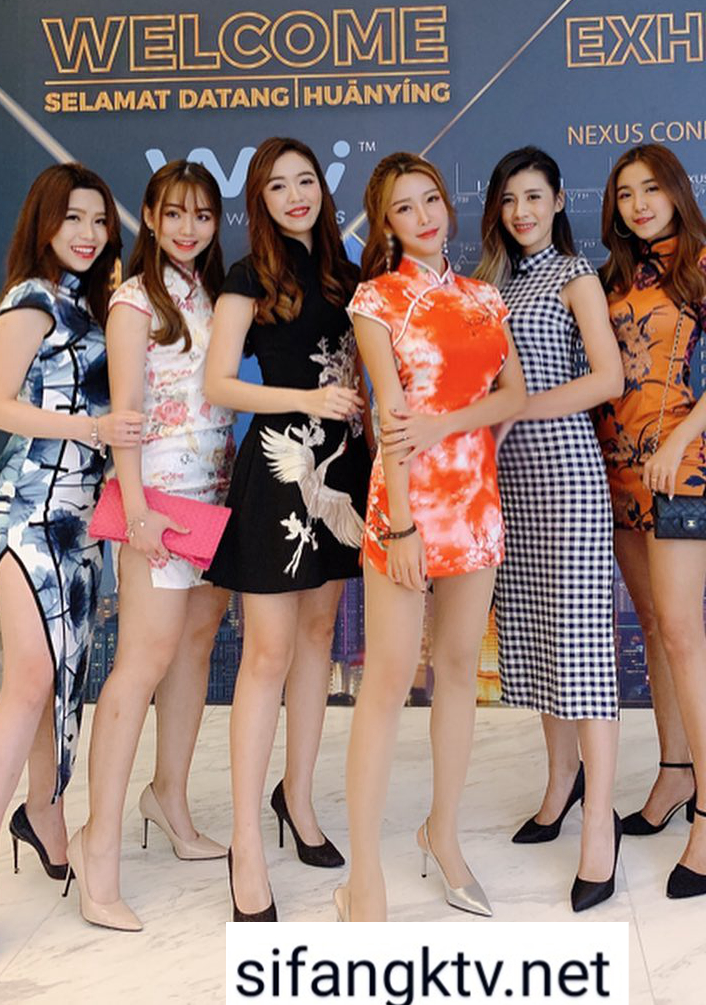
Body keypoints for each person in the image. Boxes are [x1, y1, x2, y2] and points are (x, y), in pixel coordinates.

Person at [0, 164, 142, 977]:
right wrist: (91, 428)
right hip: (26, 510)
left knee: (64, 678)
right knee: (28, 683)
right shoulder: (31, 298)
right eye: (73, 219)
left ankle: (45, 813)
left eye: (99, 220)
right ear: (44, 223)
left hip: (81, 520)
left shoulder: (94, 304)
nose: (88, 233)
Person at [337, 152, 525, 922]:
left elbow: (512, 395)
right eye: (404, 208)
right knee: (386, 682)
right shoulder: (376, 299)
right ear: (386, 224)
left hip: (475, 502)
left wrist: (448, 423)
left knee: (458, 671)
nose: (424, 217)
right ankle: (364, 877)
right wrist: (403, 527)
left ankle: (442, 835)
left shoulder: (484, 297)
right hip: (406, 506)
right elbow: (391, 418)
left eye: (431, 200)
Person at [203, 136, 371, 922]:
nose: (296, 194)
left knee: (318, 640)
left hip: (342, 470)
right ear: (260, 201)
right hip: (278, 475)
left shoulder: (349, 275)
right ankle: (245, 841)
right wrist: (305, 401)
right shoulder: (248, 277)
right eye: (278, 186)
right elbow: (220, 382)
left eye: (307, 181)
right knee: (266, 654)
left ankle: (297, 799)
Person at [67, 160, 234, 931]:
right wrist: (136, 512)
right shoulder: (134, 300)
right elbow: (126, 414)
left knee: (196, 648)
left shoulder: (213, 292)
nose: (187, 228)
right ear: (151, 217)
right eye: (173, 214)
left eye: (201, 214)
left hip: (218, 500)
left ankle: (168, 798)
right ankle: (97, 846)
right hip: (158, 505)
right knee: (141, 664)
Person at [595, 144, 706, 899]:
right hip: (616, 470)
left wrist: (698, 444)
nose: (639, 204)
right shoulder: (611, 279)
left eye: (651, 188)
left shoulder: (705, 266)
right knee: (654, 625)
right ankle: (674, 774)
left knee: (683, 631)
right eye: (625, 194)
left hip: (678, 469)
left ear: (676, 192)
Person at [477, 146, 625, 911]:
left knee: (583, 646)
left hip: (566, 473)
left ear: (559, 200)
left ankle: (600, 821)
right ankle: (561, 782)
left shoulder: (574, 275)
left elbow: (608, 377)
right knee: (536, 636)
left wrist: (518, 408)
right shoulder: (488, 284)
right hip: (506, 480)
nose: (522, 212)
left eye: (534, 196)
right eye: (509, 200)